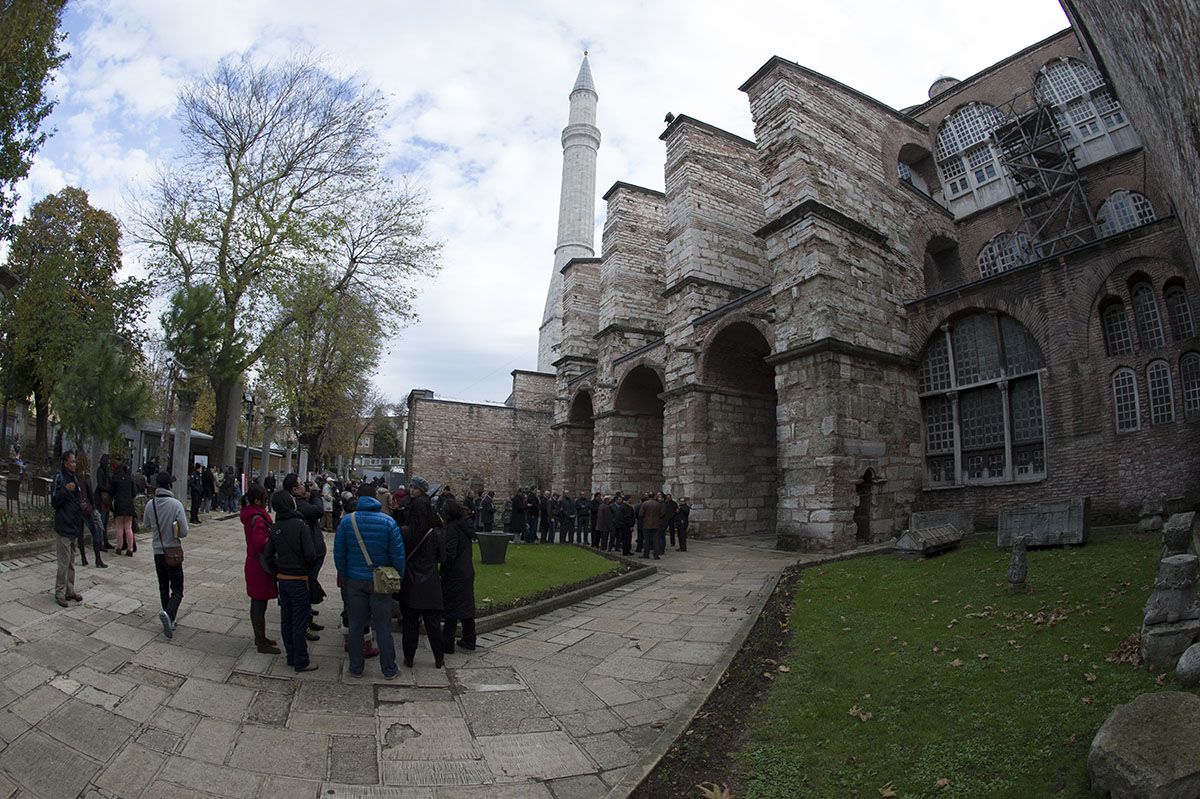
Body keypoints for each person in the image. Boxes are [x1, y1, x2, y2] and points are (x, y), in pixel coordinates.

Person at [334, 483, 405, 679]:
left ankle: (356, 667)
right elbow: (398, 555)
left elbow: (339, 554)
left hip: (355, 579)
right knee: (383, 627)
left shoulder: (347, 522)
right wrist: (397, 579)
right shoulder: (388, 522)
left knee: (356, 624)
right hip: (380, 581)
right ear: (375, 497)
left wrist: (345, 575)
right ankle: (389, 668)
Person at [264, 489, 319, 672]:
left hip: (283, 579)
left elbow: (268, 556)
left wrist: (277, 572)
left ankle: (290, 656)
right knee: (299, 621)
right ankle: (301, 660)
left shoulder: (276, 527)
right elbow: (310, 553)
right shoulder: (300, 524)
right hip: (299, 578)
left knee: (286, 620)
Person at [400, 476, 446, 668]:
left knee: (410, 623)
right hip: (430, 581)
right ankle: (438, 658)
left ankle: (409, 658)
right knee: (433, 623)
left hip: (410, 579)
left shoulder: (404, 532)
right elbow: (442, 558)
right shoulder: (435, 534)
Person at [143, 471, 189, 638]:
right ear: (169, 485)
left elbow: (146, 524)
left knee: (163, 587)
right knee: (177, 588)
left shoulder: (150, 505)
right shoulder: (175, 505)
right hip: (173, 552)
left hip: (158, 551)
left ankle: (169, 617)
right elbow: (184, 531)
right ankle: (169, 615)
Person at [285, 473, 325, 641]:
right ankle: (305, 624)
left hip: (314, 549)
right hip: (309, 553)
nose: (305, 487)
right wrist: (316, 494)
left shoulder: (300, 502)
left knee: (310, 585)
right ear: (294, 490)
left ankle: (308, 618)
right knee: (306, 588)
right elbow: (317, 511)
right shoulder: (298, 505)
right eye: (301, 485)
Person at [240, 482, 279, 654]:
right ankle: (260, 640)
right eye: (264, 499)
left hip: (254, 563)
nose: (266, 502)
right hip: (259, 566)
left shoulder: (253, 515)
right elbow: (258, 543)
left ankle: (260, 637)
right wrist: (273, 541)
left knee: (258, 602)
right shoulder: (257, 518)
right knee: (258, 603)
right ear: (256, 500)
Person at [440, 498, 478, 653]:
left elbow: (450, 553)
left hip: (454, 572)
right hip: (466, 570)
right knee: (466, 605)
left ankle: (447, 643)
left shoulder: (453, 528)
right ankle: (469, 639)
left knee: (451, 608)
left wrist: (443, 567)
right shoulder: (465, 525)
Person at [51, 451, 86, 608]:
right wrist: (65, 489)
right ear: (65, 462)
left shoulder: (75, 479)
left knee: (71, 561)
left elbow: (76, 499)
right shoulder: (60, 478)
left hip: (74, 525)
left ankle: (69, 590)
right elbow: (55, 501)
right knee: (63, 562)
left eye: (75, 462)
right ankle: (59, 592)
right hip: (64, 525)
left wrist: (81, 506)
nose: (74, 464)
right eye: (71, 462)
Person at [75, 451, 106, 568]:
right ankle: (98, 559)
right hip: (87, 508)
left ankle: (83, 558)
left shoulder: (75, 477)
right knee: (96, 532)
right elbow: (90, 494)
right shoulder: (86, 477)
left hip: (78, 508)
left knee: (80, 534)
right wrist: (93, 508)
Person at [110, 456, 137, 556]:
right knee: (128, 528)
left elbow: (112, 492)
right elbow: (134, 492)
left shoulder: (115, 478)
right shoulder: (130, 478)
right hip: (129, 504)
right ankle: (130, 548)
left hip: (119, 504)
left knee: (119, 528)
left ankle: (119, 547)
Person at [96, 453, 115, 550]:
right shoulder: (100, 471)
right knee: (101, 520)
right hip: (101, 498)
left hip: (107, 499)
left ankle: (105, 540)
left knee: (105, 520)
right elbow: (100, 485)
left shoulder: (107, 472)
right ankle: (99, 542)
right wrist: (108, 490)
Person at [639, 492, 664, 560]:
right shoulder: (658, 504)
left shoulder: (645, 504)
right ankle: (656, 555)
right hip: (656, 523)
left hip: (646, 524)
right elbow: (662, 514)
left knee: (646, 540)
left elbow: (641, 514)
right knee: (655, 540)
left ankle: (646, 554)